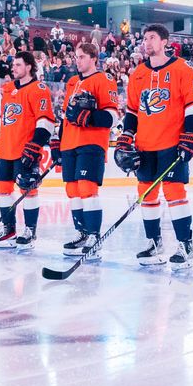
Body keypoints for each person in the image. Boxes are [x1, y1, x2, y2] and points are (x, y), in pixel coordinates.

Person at [116, 24, 193, 269]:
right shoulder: (138, 74)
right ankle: (154, 243)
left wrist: (190, 135)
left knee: (175, 193)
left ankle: (185, 245)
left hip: (171, 143)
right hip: (145, 145)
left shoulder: (182, 70)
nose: (147, 42)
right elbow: (132, 111)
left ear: (165, 41)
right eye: (145, 38)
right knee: (147, 193)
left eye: (152, 38)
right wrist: (127, 135)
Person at [0, 52, 55, 249]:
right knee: (2, 189)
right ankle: (8, 228)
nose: (13, 68)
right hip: (6, 149)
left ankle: (30, 231)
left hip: (25, 150)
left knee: (28, 190)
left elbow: (46, 121)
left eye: (18, 65)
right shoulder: (8, 89)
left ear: (29, 67)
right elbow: (4, 119)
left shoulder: (39, 89)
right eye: (13, 64)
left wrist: (35, 146)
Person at [58, 42, 119, 257]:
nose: (78, 60)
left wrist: (88, 117)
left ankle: (94, 236)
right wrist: (58, 142)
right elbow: (67, 115)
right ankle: (82, 233)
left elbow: (113, 117)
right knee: (72, 191)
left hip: (91, 143)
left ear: (94, 58)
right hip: (69, 143)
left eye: (82, 56)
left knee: (87, 189)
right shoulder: (73, 82)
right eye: (76, 56)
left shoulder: (104, 79)